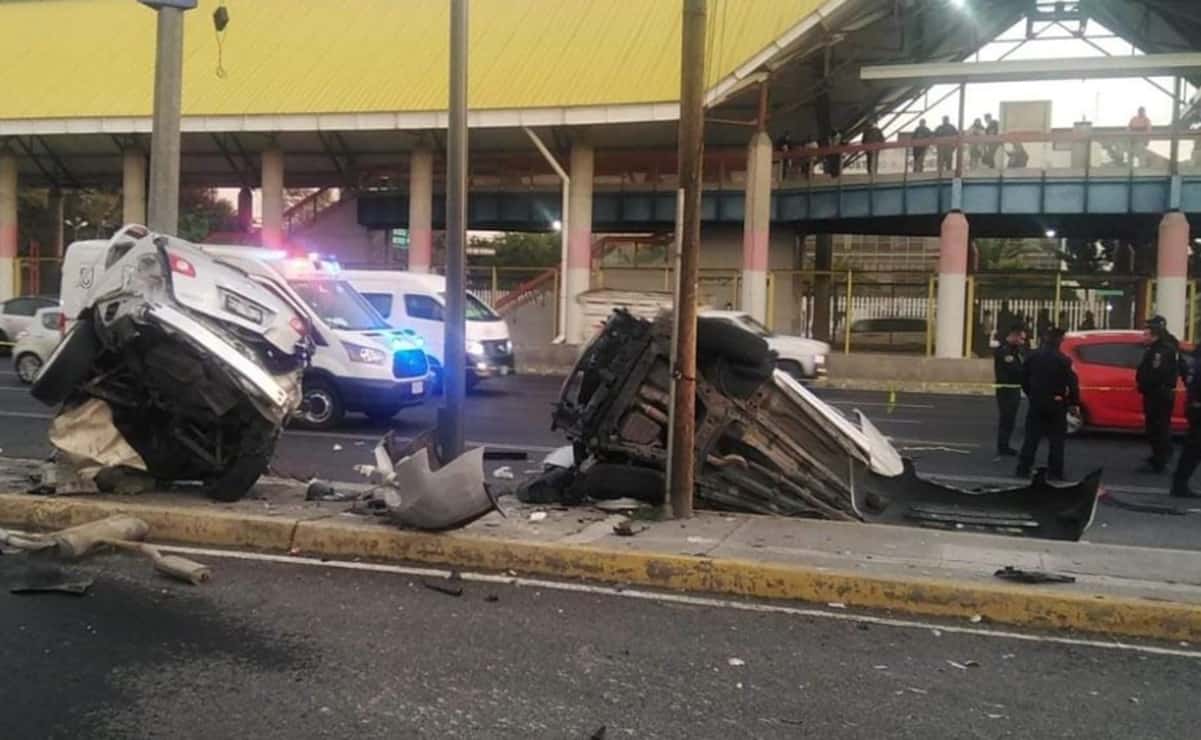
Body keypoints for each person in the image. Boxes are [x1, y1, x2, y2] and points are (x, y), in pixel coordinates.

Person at [1016, 327, 1079, 480]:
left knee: (1031, 438)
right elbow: (1072, 383)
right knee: (1056, 441)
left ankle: (1023, 469)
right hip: (1056, 403)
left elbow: (1023, 377)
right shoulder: (1064, 360)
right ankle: (1055, 472)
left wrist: (1031, 393)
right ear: (1059, 341)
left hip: (1037, 401)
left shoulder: (1033, 356)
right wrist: (1073, 402)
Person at [1135, 315, 1180, 474]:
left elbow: (1155, 373)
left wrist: (1144, 384)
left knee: (1158, 428)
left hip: (1158, 394)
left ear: (1155, 334)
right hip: (1158, 393)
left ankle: (1160, 461)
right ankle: (1159, 456)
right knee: (1157, 427)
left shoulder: (1160, 351)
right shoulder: (1164, 347)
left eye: (1146, 333)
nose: (1143, 337)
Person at [1171, 345, 1201, 498]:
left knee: (1192, 450)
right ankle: (1179, 485)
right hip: (1198, 407)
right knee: (1193, 450)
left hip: (1194, 407)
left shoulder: (1195, 360)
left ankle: (1179, 484)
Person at [994, 324, 1026, 458]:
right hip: (1006, 389)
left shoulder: (1015, 350)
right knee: (1006, 419)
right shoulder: (1004, 350)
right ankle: (1002, 446)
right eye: (1021, 339)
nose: (1023, 341)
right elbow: (1015, 369)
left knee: (1010, 419)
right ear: (1014, 335)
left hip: (1014, 388)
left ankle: (1005, 445)